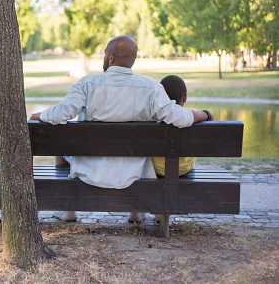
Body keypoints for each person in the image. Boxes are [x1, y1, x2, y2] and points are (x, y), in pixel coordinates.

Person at [29, 35, 212, 221]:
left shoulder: (87, 84)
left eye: (105, 53)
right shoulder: (151, 87)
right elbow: (179, 117)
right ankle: (136, 211)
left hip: (90, 168)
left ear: (111, 58)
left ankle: (67, 208)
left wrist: (40, 115)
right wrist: (205, 114)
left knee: (61, 142)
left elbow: (61, 114)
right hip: (133, 170)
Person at [151, 75, 213, 176]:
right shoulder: (190, 118)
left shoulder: (153, 117)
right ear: (185, 97)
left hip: (155, 168)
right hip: (183, 169)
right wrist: (207, 114)